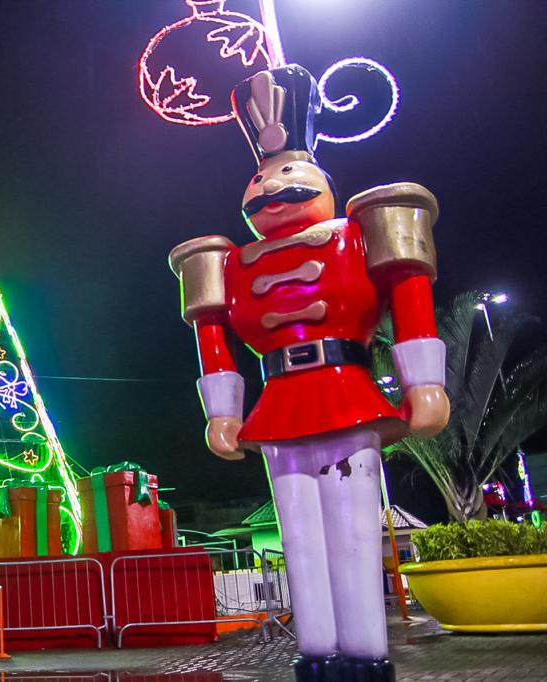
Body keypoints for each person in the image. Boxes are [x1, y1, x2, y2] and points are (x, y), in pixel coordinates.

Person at [169, 65, 449, 682]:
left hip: (344, 389)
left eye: (287, 177)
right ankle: (318, 650)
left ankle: (365, 652)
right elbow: (210, 332)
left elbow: (409, 290)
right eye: (260, 181)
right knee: (298, 533)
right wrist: (222, 412)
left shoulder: (359, 232)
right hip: (280, 401)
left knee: (351, 527)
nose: (271, 191)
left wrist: (422, 383)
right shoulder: (227, 261)